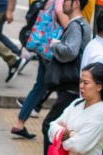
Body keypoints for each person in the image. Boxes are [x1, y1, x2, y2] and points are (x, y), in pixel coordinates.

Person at [38, 0, 91, 155]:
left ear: (75, 3)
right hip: (74, 85)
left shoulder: (75, 26)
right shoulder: (83, 24)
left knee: (50, 125)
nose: (62, 5)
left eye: (66, 1)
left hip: (70, 85)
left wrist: (56, 45)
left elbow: (71, 51)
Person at [10, 0, 64, 141]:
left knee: (40, 87)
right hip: (52, 51)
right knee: (64, 91)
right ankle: (61, 130)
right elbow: (66, 24)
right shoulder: (60, 3)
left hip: (42, 48)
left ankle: (19, 124)